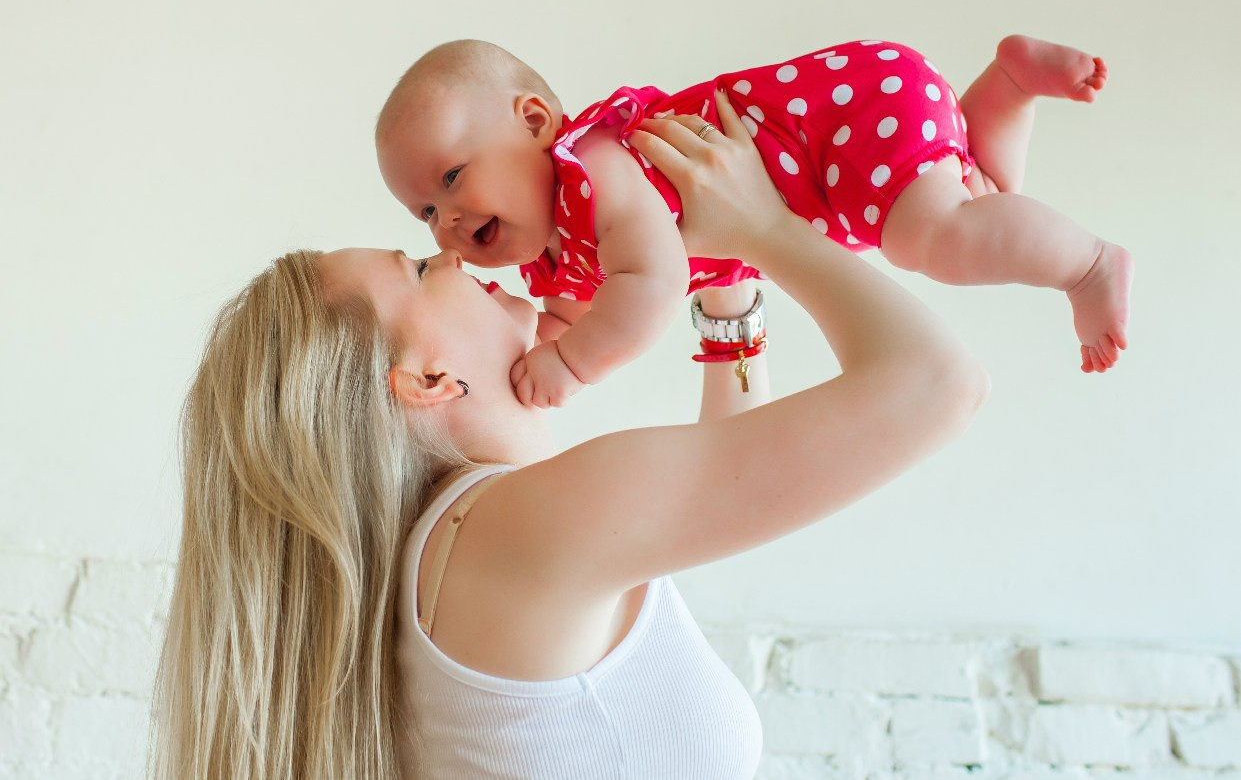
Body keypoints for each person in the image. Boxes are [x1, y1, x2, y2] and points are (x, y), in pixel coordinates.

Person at [151, 96, 988, 780]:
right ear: (427, 381)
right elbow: (938, 383)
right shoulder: (512, 527)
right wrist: (768, 230)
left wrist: (729, 289)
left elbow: (725, 487)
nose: (448, 255)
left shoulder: (451, 557)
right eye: (415, 269)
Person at [375, 35, 1133, 409]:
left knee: (935, 240)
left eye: (451, 176)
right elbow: (566, 324)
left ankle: (1089, 264)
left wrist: (570, 368)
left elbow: (655, 279)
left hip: (841, 121)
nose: (446, 219)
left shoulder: (594, 164)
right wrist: (522, 369)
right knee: (981, 199)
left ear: (537, 121)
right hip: (853, 148)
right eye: (426, 210)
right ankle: (1005, 88)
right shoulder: (563, 255)